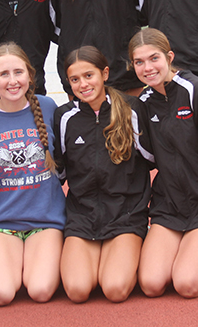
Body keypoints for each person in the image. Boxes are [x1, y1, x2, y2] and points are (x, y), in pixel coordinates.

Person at [129, 28, 198, 299]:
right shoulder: (142, 104)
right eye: (139, 62)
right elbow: (147, 159)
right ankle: (186, 248)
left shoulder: (196, 92)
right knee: (151, 284)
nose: (148, 67)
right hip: (169, 205)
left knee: (186, 284)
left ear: (169, 57)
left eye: (154, 58)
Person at [52, 46, 153, 303]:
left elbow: (154, 158)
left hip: (125, 214)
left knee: (114, 289)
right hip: (82, 215)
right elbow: (60, 172)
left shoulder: (131, 109)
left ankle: (136, 251)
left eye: (89, 75)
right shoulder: (64, 117)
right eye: (75, 79)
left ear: (104, 73)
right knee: (77, 291)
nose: (83, 84)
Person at [0, 42, 66, 306]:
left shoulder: (48, 107)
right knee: (1, 295)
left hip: (45, 220)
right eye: (3, 74)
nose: (12, 81)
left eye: (18, 72)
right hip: (2, 221)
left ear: (30, 76)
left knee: (41, 290)